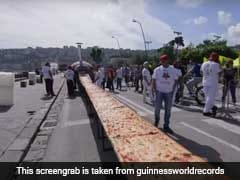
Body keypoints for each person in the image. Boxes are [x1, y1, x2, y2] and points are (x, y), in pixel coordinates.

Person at [152, 54, 177, 134]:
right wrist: (155, 90)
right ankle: (156, 120)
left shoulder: (173, 70)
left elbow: (176, 80)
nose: (163, 62)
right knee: (157, 108)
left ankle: (166, 126)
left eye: (164, 60)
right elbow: (154, 80)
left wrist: (173, 90)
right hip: (159, 91)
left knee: (168, 110)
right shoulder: (157, 70)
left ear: (167, 60)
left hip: (168, 92)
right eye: (162, 61)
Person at [201, 52, 221, 116]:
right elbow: (219, 73)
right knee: (210, 97)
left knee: (207, 97)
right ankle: (206, 111)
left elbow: (201, 72)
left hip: (205, 81)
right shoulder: (216, 64)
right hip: (212, 82)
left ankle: (212, 107)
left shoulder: (204, 63)